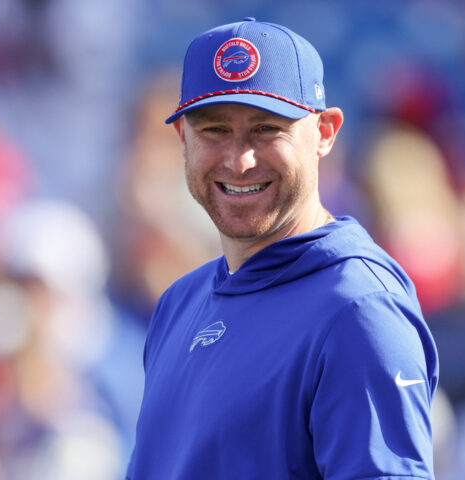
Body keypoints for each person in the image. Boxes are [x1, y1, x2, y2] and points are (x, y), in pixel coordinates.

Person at [126, 17, 439, 480]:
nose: (239, 159)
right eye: (214, 130)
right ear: (183, 141)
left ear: (325, 132)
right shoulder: (180, 302)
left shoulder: (359, 310)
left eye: (266, 129)